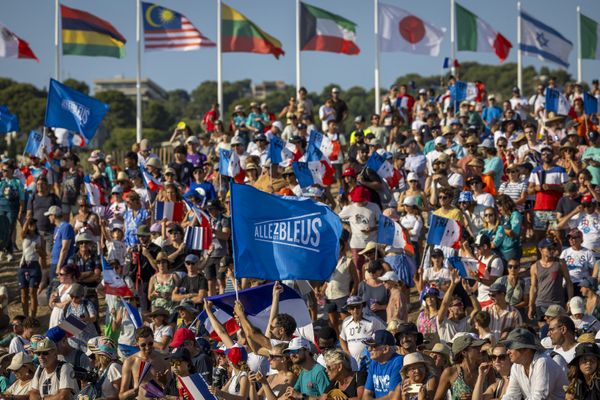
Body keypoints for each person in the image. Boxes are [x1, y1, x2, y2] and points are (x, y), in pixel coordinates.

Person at [501, 328, 568, 400]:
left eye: (511, 347)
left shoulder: (542, 362)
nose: (507, 352)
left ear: (526, 349)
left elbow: (539, 397)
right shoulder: (516, 366)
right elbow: (512, 395)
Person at [120, 326, 171, 400]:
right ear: (137, 343)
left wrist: (164, 381)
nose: (147, 347)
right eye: (143, 345)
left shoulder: (164, 359)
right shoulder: (130, 362)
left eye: (150, 343)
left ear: (154, 339)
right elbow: (121, 396)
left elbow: (172, 390)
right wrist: (131, 392)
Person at [528, 238, 574, 320]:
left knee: (556, 328)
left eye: (553, 248)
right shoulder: (534, 267)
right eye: (549, 248)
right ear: (540, 250)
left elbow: (568, 282)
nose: (552, 250)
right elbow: (533, 287)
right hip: (541, 303)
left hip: (557, 303)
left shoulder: (560, 263)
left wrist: (570, 301)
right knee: (543, 330)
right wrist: (531, 305)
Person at [434, 334, 487, 400]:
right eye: (475, 347)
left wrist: (478, 396)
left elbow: (495, 393)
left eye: (479, 347)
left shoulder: (485, 369)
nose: (480, 349)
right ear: (464, 352)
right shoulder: (450, 372)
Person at [340, 296, 386, 367]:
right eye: (352, 307)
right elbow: (342, 338)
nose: (355, 310)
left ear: (362, 307)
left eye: (358, 307)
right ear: (349, 310)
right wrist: (347, 352)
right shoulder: (346, 323)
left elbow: (385, 334)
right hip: (353, 363)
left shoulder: (372, 321)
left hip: (370, 363)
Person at [362, 330, 404, 399]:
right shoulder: (374, 362)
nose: (369, 349)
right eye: (368, 346)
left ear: (385, 349)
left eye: (373, 346)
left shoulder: (398, 361)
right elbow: (367, 394)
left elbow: (392, 397)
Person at [18, 218, 45, 318]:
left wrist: (38, 250)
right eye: (30, 224)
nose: (32, 225)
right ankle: (25, 317)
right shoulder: (24, 236)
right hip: (23, 265)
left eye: (33, 223)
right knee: (23, 294)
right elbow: (23, 230)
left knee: (32, 293)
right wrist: (28, 219)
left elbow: (44, 255)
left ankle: (33, 317)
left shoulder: (39, 237)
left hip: (34, 265)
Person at [45, 205, 74, 281]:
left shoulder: (66, 227)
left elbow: (65, 248)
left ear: (53, 216)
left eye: (49, 215)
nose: (48, 218)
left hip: (63, 263)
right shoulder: (57, 228)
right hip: (55, 261)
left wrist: (59, 266)